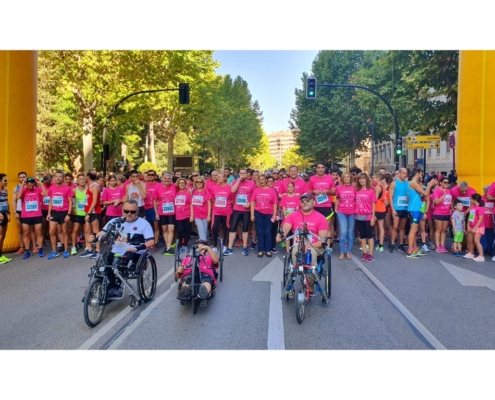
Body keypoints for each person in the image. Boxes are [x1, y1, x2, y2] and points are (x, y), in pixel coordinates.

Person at [94, 199, 155, 296]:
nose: (129, 214)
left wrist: (138, 248)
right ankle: (111, 286)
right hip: (116, 250)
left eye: (132, 212)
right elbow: (102, 233)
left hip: (135, 251)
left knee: (121, 264)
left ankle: (119, 285)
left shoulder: (144, 224)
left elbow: (151, 241)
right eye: (126, 211)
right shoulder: (115, 222)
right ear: (122, 210)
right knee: (104, 263)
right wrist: (94, 236)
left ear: (138, 211)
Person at [276, 193, 328, 293]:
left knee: (310, 253)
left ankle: (310, 283)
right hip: (298, 245)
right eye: (303, 201)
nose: (305, 202)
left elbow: (322, 240)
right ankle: (298, 277)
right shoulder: (293, 215)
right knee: (295, 251)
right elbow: (286, 227)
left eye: (307, 200)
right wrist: (281, 235)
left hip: (314, 246)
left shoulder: (320, 218)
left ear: (314, 202)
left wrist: (308, 245)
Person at [175, 241, 220, 307]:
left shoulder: (208, 257)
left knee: (206, 282)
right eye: (198, 247)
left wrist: (208, 248)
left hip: (205, 274)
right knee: (185, 282)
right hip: (188, 274)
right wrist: (178, 271)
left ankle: (203, 293)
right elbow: (176, 277)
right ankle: (184, 292)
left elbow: (216, 260)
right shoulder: (187, 258)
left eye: (202, 247)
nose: (200, 248)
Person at [405, 169, 436, 259]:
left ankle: (414, 248)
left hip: (416, 209)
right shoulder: (413, 183)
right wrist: (429, 185)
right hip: (413, 209)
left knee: (415, 230)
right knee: (413, 230)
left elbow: (421, 196)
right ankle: (410, 250)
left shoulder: (415, 184)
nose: (422, 176)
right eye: (421, 174)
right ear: (417, 174)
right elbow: (426, 193)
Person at [227, 168, 256, 256]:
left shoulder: (251, 183)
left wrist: (249, 203)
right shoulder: (235, 182)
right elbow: (232, 191)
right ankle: (229, 248)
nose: (242, 175)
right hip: (236, 209)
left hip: (246, 210)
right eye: (241, 173)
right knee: (233, 228)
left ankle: (244, 247)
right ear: (239, 174)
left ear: (247, 174)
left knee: (245, 228)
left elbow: (254, 195)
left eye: (244, 173)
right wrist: (239, 180)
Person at [46, 171, 74, 259]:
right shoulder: (51, 188)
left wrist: (68, 214)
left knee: (65, 231)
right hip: (54, 212)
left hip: (64, 212)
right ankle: (54, 251)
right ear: (54, 178)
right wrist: (49, 213)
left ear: (63, 178)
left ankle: (66, 250)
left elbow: (70, 202)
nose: (58, 178)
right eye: (56, 177)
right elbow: (50, 201)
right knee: (51, 232)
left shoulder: (67, 188)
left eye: (60, 177)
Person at [308, 161, 336, 248]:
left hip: (326, 206)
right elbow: (308, 191)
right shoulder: (312, 178)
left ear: (325, 168)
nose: (320, 169)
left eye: (322, 167)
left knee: (327, 227)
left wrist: (327, 191)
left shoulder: (329, 178)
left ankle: (327, 246)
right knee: (315, 227)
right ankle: (316, 245)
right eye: (318, 167)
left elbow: (334, 192)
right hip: (316, 206)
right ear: (316, 169)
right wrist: (313, 191)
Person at [16, 177, 45, 259]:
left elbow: (46, 194)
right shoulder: (24, 189)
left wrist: (41, 184)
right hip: (26, 215)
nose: (31, 187)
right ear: (26, 184)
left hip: (37, 214)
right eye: (29, 186)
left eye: (32, 186)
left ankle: (40, 249)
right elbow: (18, 197)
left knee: (39, 232)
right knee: (26, 233)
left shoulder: (38, 189)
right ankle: (27, 251)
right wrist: (22, 185)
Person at [250, 174, 278, 258]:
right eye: (259, 180)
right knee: (260, 232)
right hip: (258, 213)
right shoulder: (256, 190)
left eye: (263, 179)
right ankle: (260, 250)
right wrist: (252, 214)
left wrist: (274, 214)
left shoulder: (272, 190)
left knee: (268, 232)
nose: (261, 181)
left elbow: (275, 203)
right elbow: (252, 203)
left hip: (269, 214)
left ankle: (268, 250)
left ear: (266, 180)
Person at [355, 173, 377, 262]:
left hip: (368, 216)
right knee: (362, 235)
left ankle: (370, 253)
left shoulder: (371, 191)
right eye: (360, 179)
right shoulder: (356, 190)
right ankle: (364, 252)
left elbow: (373, 204)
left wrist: (373, 217)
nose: (361, 180)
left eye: (363, 178)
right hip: (358, 216)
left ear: (366, 179)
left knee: (369, 235)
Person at [210, 172, 233, 253]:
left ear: (224, 178)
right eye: (217, 177)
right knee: (214, 228)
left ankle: (225, 245)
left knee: (225, 228)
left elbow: (232, 199)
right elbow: (213, 198)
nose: (217, 178)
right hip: (216, 211)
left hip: (226, 211)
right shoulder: (214, 187)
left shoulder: (229, 187)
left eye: (219, 177)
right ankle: (215, 246)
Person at [335, 172, 356, 260]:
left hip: (352, 212)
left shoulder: (354, 187)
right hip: (342, 212)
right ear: (342, 179)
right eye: (344, 177)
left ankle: (348, 251)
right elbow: (337, 198)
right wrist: (336, 208)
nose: (346, 178)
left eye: (348, 177)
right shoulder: (338, 187)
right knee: (343, 232)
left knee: (350, 233)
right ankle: (342, 252)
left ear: (350, 178)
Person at [155, 173, 176, 256]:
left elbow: (183, 187)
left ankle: (168, 247)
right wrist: (156, 212)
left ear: (171, 180)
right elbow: (155, 201)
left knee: (171, 229)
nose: (167, 180)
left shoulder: (174, 186)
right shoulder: (158, 188)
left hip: (172, 212)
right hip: (162, 212)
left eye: (169, 179)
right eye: (165, 179)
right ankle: (168, 247)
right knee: (164, 230)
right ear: (162, 180)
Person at [389, 168, 409, 253]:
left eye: (406, 173)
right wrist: (393, 210)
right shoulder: (394, 184)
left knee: (402, 226)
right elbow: (390, 197)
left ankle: (401, 244)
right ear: (399, 174)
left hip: (405, 208)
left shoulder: (408, 184)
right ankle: (392, 243)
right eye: (403, 173)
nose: (405, 175)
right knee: (395, 226)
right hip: (397, 208)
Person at [432, 176, 452, 254]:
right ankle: (437, 246)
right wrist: (443, 195)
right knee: (438, 229)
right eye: (445, 182)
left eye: (448, 183)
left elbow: (451, 200)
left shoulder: (449, 191)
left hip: (446, 213)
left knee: (444, 230)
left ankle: (442, 246)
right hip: (438, 212)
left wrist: (451, 208)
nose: (446, 184)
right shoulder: (437, 191)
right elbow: (436, 202)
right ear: (440, 183)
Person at [463, 194, 485, 262]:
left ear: (474, 200)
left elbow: (480, 219)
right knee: (470, 240)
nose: (470, 200)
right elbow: (470, 217)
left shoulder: (480, 208)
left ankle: (481, 256)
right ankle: (471, 252)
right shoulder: (473, 207)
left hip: (478, 227)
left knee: (476, 241)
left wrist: (475, 228)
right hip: (471, 226)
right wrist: (468, 226)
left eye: (471, 199)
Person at [174, 178, 193, 252]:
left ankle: (185, 245)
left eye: (183, 183)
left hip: (187, 214)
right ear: (178, 184)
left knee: (187, 230)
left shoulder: (188, 192)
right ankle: (179, 245)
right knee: (180, 230)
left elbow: (191, 204)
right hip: (178, 215)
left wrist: (192, 215)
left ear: (185, 184)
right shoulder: (176, 192)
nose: (181, 184)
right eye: (180, 183)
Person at [191, 175, 211, 245]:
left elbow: (209, 203)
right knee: (200, 228)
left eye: (201, 182)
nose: (199, 183)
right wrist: (192, 214)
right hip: (197, 214)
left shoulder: (206, 191)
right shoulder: (193, 192)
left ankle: (203, 243)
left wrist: (209, 215)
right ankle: (203, 244)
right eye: (197, 182)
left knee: (205, 229)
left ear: (203, 183)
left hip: (205, 213)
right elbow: (191, 204)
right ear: (195, 183)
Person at [144, 170, 161, 252]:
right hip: (145, 207)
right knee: (147, 227)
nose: (150, 176)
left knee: (156, 226)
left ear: (155, 176)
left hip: (154, 208)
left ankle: (155, 243)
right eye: (149, 174)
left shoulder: (159, 185)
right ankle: (149, 242)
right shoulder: (143, 185)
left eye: (152, 175)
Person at [0, 173, 12, 264]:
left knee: (3, 235)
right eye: (5, 180)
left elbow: (7, 202)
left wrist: (9, 213)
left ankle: (0, 255)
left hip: (4, 214)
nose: (7, 182)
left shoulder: (6, 191)